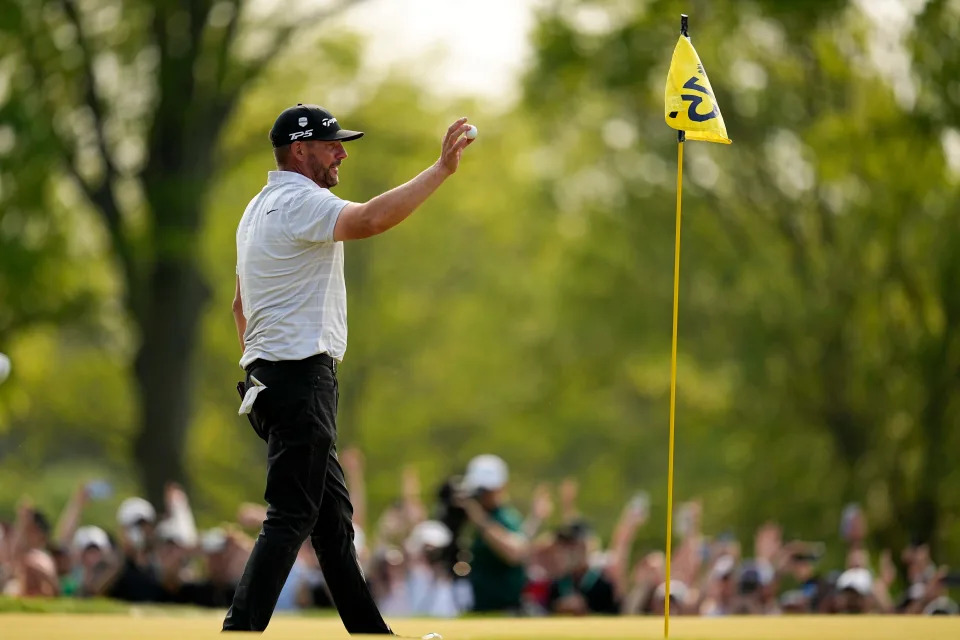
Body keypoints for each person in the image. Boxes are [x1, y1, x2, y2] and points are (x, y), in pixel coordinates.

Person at [224, 103, 474, 633]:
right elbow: (371, 219)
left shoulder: (256, 209)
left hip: (269, 380)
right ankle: (238, 631)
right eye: (330, 143)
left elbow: (239, 308)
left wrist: (263, 368)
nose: (341, 152)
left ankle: (371, 634)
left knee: (333, 528)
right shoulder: (300, 200)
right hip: (299, 378)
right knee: (291, 515)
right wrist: (440, 171)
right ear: (299, 150)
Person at [456, 454, 530, 613]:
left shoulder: (504, 517)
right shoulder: (477, 517)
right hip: (481, 608)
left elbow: (515, 553)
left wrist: (481, 521)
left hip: (506, 609)